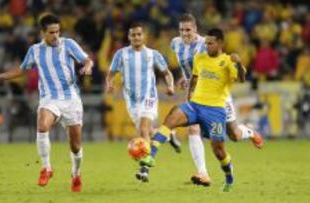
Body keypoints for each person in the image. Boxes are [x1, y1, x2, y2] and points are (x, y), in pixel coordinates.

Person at [0, 14, 93, 192]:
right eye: (51, 32)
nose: (55, 35)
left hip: (71, 99)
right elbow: (22, 70)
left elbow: (87, 59)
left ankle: (76, 174)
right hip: (49, 98)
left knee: (75, 145)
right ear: (42, 33)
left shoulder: (68, 44)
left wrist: (87, 66)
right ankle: (46, 168)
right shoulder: (35, 50)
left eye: (57, 31)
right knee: (42, 124)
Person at [140, 28, 253, 192]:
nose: (207, 46)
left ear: (220, 43)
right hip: (195, 105)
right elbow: (194, 79)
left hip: (215, 111)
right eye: (206, 43)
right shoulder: (199, 59)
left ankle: (229, 176)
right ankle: (150, 156)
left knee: (218, 150)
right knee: (171, 117)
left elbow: (242, 79)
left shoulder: (228, 61)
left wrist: (239, 63)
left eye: (210, 43)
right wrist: (189, 97)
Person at [170, 14, 263, 186]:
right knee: (193, 129)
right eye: (182, 30)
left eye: (188, 30)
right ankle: (203, 173)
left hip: (218, 96)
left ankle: (248, 131)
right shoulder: (175, 43)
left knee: (234, 134)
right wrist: (187, 79)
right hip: (197, 95)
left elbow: (219, 63)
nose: (185, 33)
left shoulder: (206, 44)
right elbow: (192, 68)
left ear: (196, 29)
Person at [105, 22, 176, 181]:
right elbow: (111, 73)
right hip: (132, 102)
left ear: (144, 36)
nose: (136, 37)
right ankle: (169, 134)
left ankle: (144, 168)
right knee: (149, 132)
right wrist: (109, 83)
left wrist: (170, 85)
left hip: (149, 97)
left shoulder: (153, 54)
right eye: (133, 35)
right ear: (129, 37)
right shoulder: (121, 54)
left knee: (143, 131)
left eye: (139, 34)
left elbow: (167, 73)